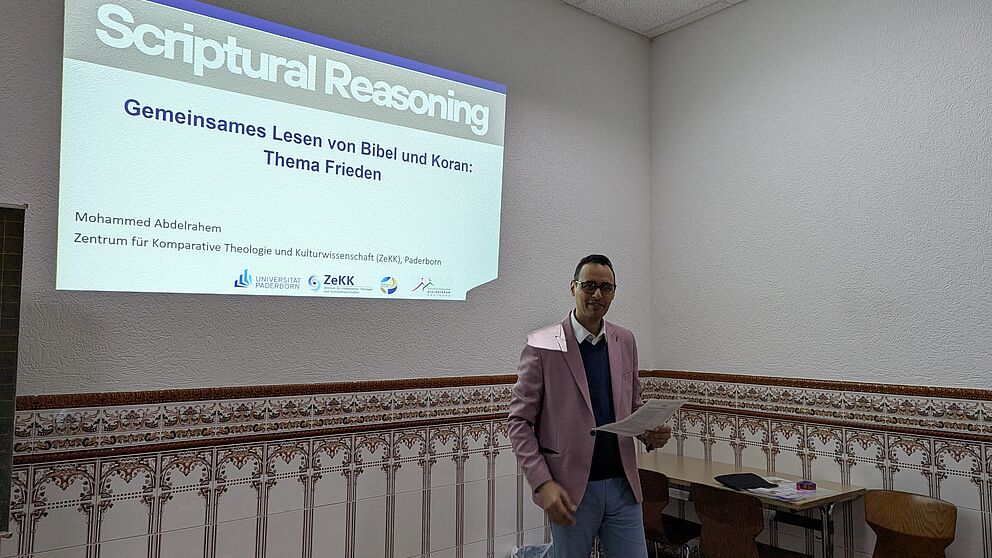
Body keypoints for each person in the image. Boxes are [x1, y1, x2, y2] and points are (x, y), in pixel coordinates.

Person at [508, 254, 672, 558]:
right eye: (589, 285)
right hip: (571, 488)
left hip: (623, 485)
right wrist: (543, 483)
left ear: (614, 292)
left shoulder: (625, 340)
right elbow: (519, 422)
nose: (597, 294)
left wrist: (649, 432)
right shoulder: (543, 345)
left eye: (606, 287)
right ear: (573, 287)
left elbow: (632, 405)